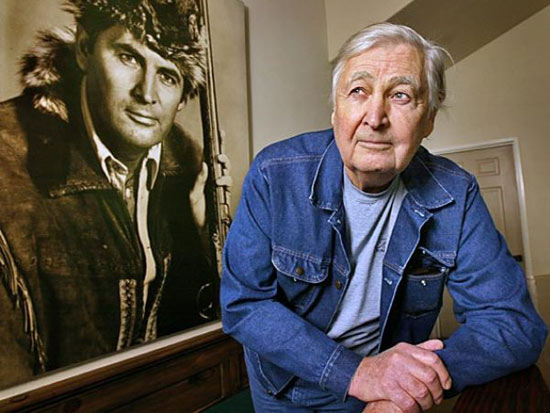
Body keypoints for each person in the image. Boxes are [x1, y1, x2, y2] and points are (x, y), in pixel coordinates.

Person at [221, 23, 547, 412]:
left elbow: (514, 325)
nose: (375, 117)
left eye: (401, 95)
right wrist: (358, 373)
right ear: (335, 111)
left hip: (384, 391)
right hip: (285, 389)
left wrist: (410, 384)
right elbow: (244, 304)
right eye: (358, 91)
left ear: (428, 121)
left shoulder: (456, 194)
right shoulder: (274, 174)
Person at [0, 0, 218, 388]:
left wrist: (198, 236)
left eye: (168, 76)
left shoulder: (186, 166)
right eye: (128, 57)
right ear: (84, 48)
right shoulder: (9, 160)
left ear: (183, 98)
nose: (146, 93)